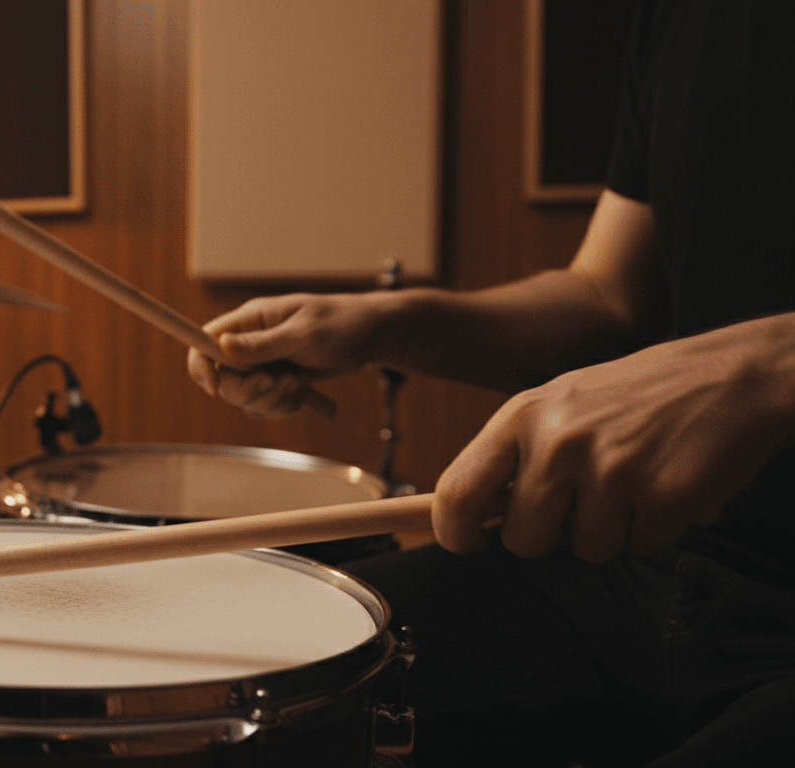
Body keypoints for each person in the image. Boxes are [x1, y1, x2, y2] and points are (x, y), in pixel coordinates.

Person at [187, 1, 793, 765]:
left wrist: (767, 365)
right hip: (649, 567)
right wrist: (382, 324)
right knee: (228, 682)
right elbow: (611, 295)